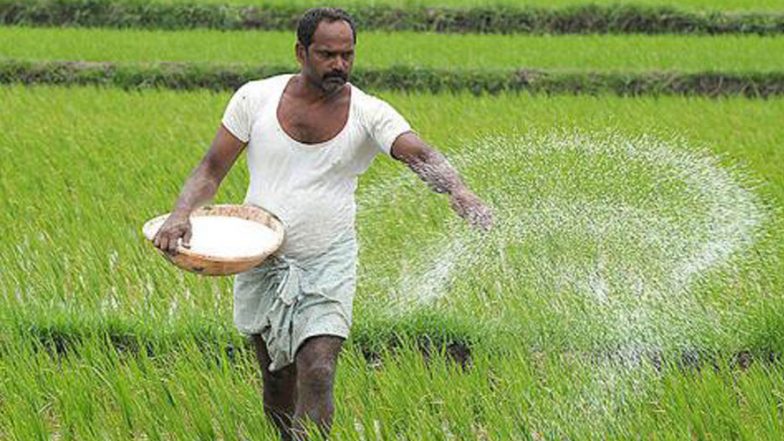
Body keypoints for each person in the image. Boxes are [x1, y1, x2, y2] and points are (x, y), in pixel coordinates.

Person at [153, 7, 492, 440]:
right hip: (259, 259)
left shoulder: (369, 113)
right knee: (278, 378)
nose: (339, 65)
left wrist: (458, 190)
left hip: (326, 260)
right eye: (328, 54)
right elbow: (211, 168)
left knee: (318, 367)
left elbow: (419, 153)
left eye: (347, 55)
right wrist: (181, 214)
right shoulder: (254, 99)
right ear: (301, 52)